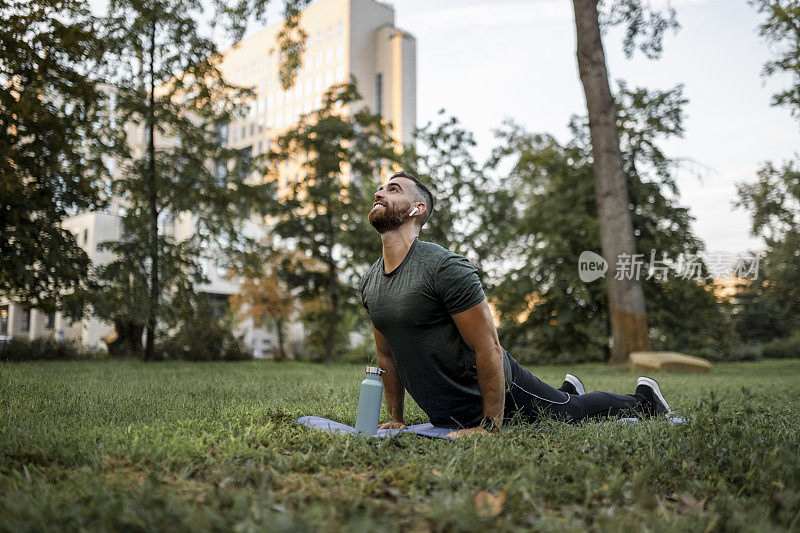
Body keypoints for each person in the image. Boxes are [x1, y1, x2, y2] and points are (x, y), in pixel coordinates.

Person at [359, 171, 671, 439]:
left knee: (569, 412)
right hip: (449, 412)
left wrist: (490, 425)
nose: (379, 192)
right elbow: (387, 354)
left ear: (418, 208)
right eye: (381, 188)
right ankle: (565, 393)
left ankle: (645, 401)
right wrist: (396, 418)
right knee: (559, 403)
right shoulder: (371, 281)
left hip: (502, 394)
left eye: (393, 189)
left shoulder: (442, 267)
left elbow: (488, 347)